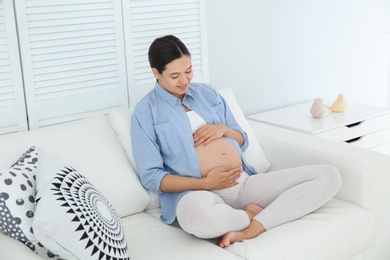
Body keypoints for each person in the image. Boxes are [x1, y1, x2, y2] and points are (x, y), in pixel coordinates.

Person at [131, 35, 342, 247]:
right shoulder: (146, 112)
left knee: (327, 176)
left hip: (242, 183)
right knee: (197, 217)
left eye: (189, 71)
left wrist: (224, 130)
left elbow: (243, 139)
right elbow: (152, 177)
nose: (185, 80)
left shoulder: (207, 93)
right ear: (156, 73)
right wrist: (206, 183)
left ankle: (252, 228)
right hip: (197, 194)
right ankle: (247, 215)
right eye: (175, 75)